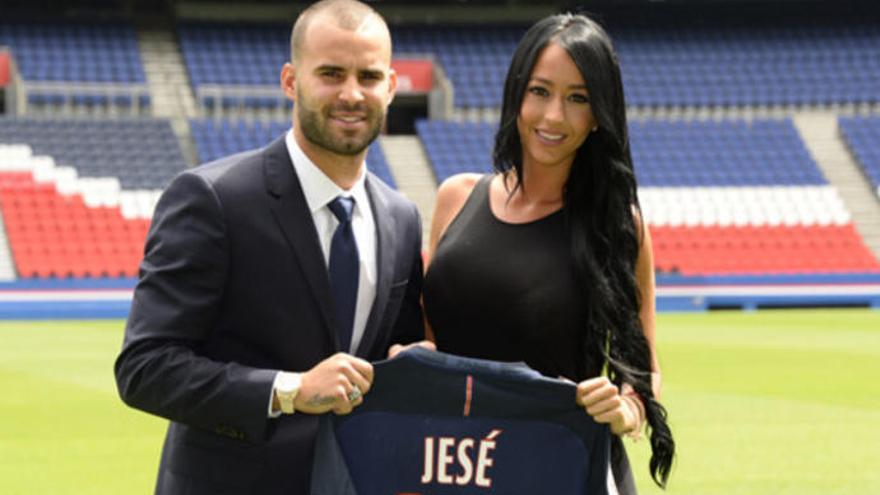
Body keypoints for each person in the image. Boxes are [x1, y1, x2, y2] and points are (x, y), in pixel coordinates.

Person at [114, 1, 424, 493]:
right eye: (330, 73)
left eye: (367, 76)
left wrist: (413, 363)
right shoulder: (213, 199)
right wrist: (290, 390)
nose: (351, 93)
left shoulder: (401, 218)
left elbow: (386, 359)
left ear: (390, 86)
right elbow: (145, 369)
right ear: (290, 81)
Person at [421, 13, 675, 493]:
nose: (553, 116)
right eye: (540, 91)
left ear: (599, 113)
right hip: (455, 465)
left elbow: (643, 370)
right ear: (517, 93)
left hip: (564, 468)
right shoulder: (455, 197)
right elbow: (427, 341)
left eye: (577, 98)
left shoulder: (619, 227)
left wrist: (626, 408)